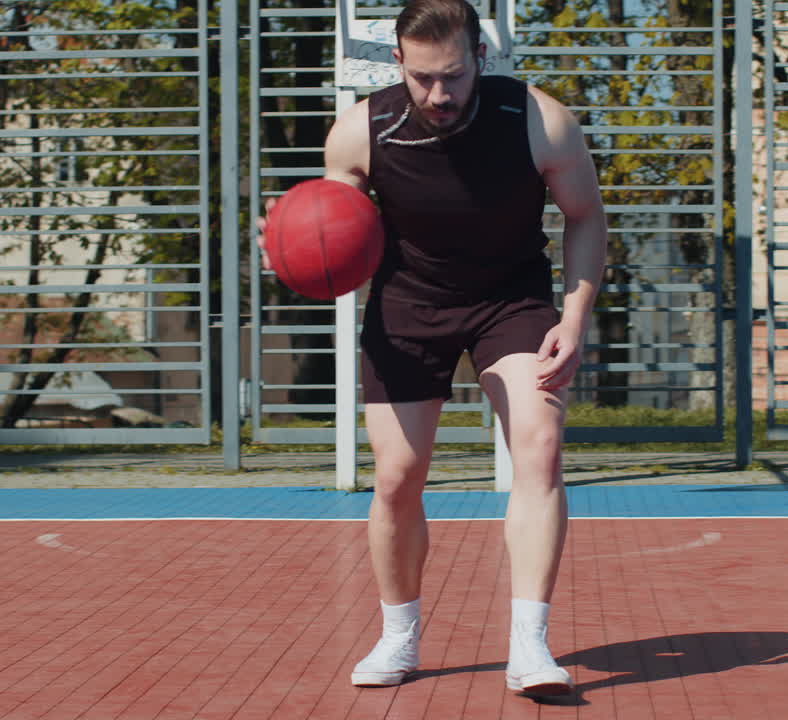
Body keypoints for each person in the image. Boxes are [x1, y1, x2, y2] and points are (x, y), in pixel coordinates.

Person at [257, 0, 608, 698]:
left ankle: (529, 647)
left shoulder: (540, 121)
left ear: (480, 55)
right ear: (397, 64)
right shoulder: (362, 129)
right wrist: (293, 244)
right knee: (396, 476)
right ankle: (399, 634)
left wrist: (574, 318)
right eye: (422, 78)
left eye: (452, 75)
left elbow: (586, 217)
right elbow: (333, 228)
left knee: (538, 446)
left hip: (511, 298)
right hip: (409, 303)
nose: (438, 95)